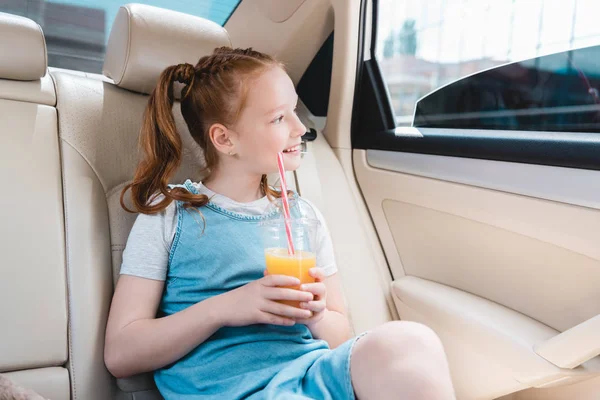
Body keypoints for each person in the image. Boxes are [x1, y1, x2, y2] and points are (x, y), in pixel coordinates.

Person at [104, 46, 456, 400]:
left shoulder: (304, 217)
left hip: (313, 377)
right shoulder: (170, 213)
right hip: (230, 391)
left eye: (294, 112)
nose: (300, 128)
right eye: (278, 119)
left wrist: (316, 315)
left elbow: (339, 336)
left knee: (412, 340)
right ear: (225, 139)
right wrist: (224, 308)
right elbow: (121, 354)